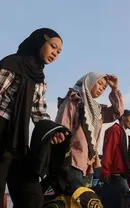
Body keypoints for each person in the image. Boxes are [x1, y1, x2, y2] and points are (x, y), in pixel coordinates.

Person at [0, 28, 66, 208]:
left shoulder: (40, 80)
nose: (55, 53)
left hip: (18, 141)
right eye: (53, 47)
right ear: (39, 41)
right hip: (1, 130)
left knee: (31, 194)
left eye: (59, 52)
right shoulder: (12, 64)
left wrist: (51, 130)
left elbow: (39, 112)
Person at [55, 72, 124, 191]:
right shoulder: (73, 101)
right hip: (71, 161)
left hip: (87, 164)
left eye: (104, 87)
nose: (102, 88)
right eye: (100, 84)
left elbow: (117, 112)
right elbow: (61, 129)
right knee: (77, 198)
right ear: (89, 82)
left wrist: (115, 89)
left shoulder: (97, 110)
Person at [100, 109, 130, 208]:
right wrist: (105, 171)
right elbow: (108, 150)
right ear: (123, 118)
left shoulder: (124, 134)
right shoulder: (115, 130)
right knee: (124, 203)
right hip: (115, 174)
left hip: (122, 175)